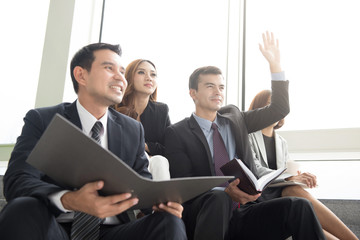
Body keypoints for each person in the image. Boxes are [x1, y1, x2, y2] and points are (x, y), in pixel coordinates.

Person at [0, 43, 187, 240]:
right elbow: (17, 181)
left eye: (122, 72)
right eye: (109, 68)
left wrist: (160, 204)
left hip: (113, 232)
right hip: (55, 227)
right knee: (22, 207)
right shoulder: (43, 119)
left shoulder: (133, 129)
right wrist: (69, 200)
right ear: (81, 75)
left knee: (169, 220)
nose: (120, 78)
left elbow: (142, 183)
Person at [164, 32, 325, 240]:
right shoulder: (177, 133)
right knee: (219, 198)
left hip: (245, 210)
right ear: (193, 93)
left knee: (299, 206)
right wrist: (225, 192)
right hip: (206, 213)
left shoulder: (235, 118)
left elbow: (279, 108)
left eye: (221, 87)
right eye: (209, 86)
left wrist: (275, 66)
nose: (218, 91)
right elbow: (184, 186)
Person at [248, 89, 359, 240]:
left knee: (320, 230)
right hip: (262, 195)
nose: (276, 110)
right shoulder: (248, 136)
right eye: (270, 105)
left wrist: (299, 176)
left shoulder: (281, 142)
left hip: (283, 194)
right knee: (292, 190)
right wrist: (290, 178)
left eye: (278, 106)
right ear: (259, 108)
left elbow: (288, 169)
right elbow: (256, 170)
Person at [115, 59, 170, 180]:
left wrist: (143, 146)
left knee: (159, 160)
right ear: (129, 77)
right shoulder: (114, 107)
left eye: (153, 74)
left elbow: (169, 149)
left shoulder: (161, 111)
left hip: (152, 167)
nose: (149, 78)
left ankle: (163, 199)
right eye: (141, 72)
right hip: (120, 164)